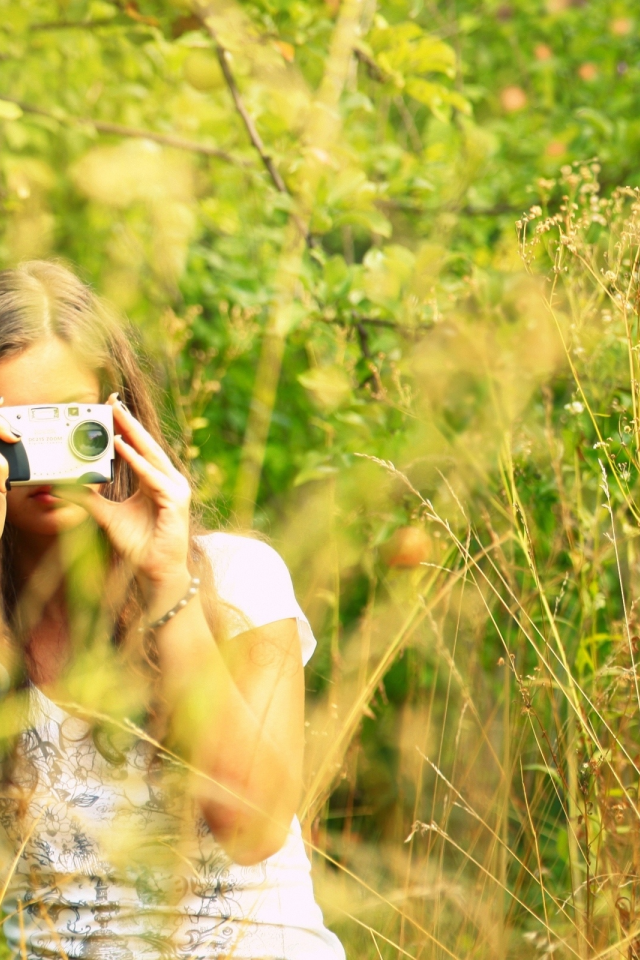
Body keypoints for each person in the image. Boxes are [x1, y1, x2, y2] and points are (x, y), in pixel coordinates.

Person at [0, 261, 345, 960]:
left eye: (69, 423)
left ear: (119, 418)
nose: (41, 457)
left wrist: (165, 580)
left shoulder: (240, 578)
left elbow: (252, 829)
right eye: (9, 431)